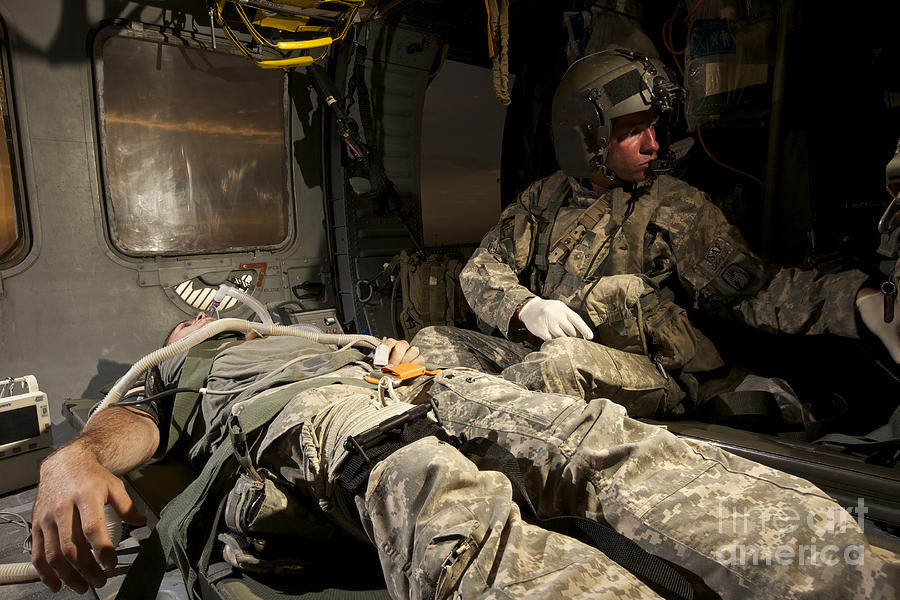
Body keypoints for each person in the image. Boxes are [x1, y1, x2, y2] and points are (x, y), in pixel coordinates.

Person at [30, 313, 900, 598]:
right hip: (313, 415)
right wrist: (73, 459)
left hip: (409, 377)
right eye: (201, 315)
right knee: (419, 482)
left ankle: (850, 572)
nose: (216, 312)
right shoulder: (197, 361)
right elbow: (127, 430)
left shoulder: (314, 329)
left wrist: (412, 362)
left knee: (594, 443)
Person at [413, 47, 900, 420]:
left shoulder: (674, 206)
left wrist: (859, 301)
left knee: (555, 365)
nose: (654, 144)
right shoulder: (543, 199)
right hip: (541, 356)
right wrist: (525, 306)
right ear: (586, 140)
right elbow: (482, 268)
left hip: (646, 370)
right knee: (433, 342)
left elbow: (758, 289)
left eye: (653, 127)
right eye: (633, 132)